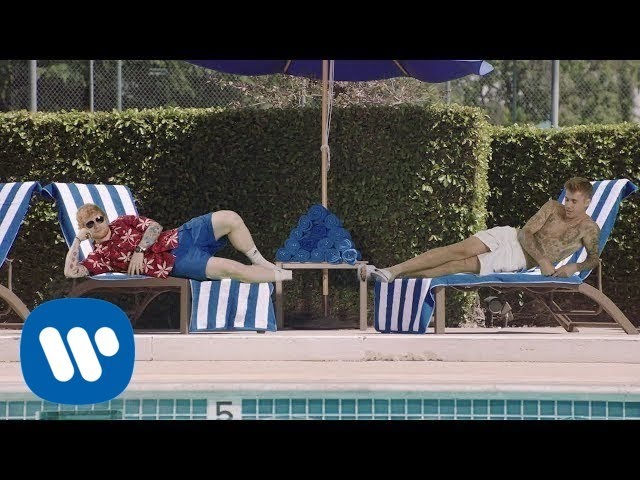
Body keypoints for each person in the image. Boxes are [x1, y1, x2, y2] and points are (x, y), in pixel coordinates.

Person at [361, 177, 601, 282]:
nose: (568, 205)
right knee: (457, 250)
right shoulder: (552, 207)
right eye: (567, 199)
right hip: (511, 235)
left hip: (518, 258)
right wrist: (544, 261)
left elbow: (594, 259)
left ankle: (397, 276)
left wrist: (574, 267)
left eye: (574, 201)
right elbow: (526, 233)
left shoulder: (589, 228)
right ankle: (391, 270)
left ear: (587, 202)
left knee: (458, 265)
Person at [64, 205, 293, 283]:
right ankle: (285, 275)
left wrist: (139, 251)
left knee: (230, 218)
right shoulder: (100, 257)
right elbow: (71, 272)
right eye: (90, 224)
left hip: (180, 237)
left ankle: (261, 261)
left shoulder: (124, 221)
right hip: (177, 263)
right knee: (234, 270)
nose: (97, 225)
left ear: (105, 217)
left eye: (99, 219)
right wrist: (77, 240)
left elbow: (155, 227)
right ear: (85, 229)